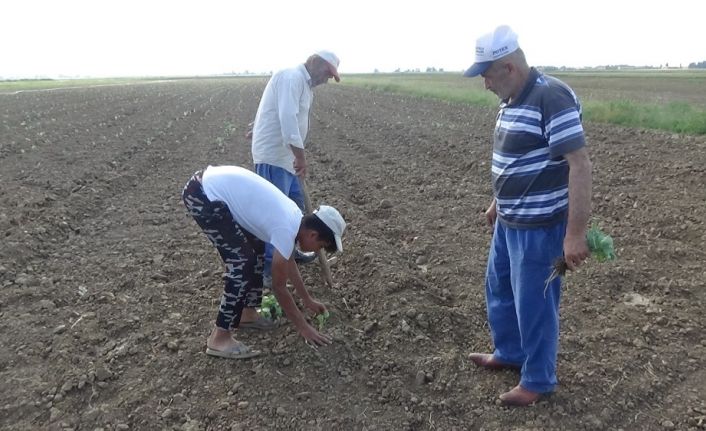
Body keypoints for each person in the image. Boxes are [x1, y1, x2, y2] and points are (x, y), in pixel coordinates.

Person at [463, 25, 592, 406]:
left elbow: (579, 165)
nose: (484, 83)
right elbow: (517, 159)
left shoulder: (551, 97)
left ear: (509, 67)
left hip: (540, 227)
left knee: (534, 303)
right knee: (500, 289)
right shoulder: (513, 98)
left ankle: (538, 379)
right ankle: (510, 352)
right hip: (509, 222)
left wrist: (575, 235)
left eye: (487, 74)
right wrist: (497, 203)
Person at [182, 165, 346, 359]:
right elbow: (279, 286)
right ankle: (219, 338)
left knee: (257, 251)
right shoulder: (286, 227)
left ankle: (246, 313)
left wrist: (307, 299)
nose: (317, 251)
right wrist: (304, 328)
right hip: (203, 194)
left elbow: (288, 261)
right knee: (242, 264)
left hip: (212, 188)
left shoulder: (294, 219)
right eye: (320, 246)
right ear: (313, 234)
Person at [249, 50, 341, 287]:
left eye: (331, 76)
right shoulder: (292, 77)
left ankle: (292, 251)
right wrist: (301, 156)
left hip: (285, 158)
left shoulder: (304, 86)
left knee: (296, 212)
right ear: (314, 61)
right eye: (327, 72)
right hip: (275, 157)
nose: (327, 78)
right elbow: (287, 117)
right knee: (275, 216)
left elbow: (277, 112)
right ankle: (271, 269)